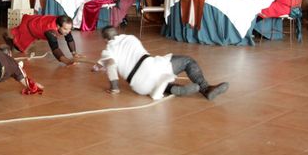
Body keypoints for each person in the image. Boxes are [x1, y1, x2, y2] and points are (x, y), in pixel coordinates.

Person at [93, 26, 229, 100]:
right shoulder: (130, 38)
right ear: (117, 33)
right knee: (187, 61)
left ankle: (172, 89)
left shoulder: (107, 51)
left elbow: (110, 64)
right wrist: (99, 65)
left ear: (105, 40)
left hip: (139, 86)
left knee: (158, 82)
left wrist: (115, 87)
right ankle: (206, 89)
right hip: (150, 67)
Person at [4, 14, 80, 65]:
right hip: (30, 27)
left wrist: (74, 53)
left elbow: (69, 38)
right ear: (58, 26)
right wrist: (66, 61)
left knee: (25, 47)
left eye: (69, 29)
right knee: (19, 48)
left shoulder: (63, 25)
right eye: (66, 29)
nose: (68, 31)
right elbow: (55, 48)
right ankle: (9, 40)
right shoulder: (50, 30)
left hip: (39, 22)